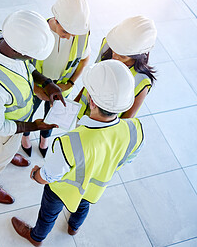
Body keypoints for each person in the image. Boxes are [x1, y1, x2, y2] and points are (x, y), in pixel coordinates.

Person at [11, 60, 145, 246]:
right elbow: (126, 159)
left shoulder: (69, 143)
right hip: (93, 188)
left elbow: (48, 176)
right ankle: (74, 227)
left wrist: (35, 175)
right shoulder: (135, 129)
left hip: (60, 191)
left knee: (48, 215)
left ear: (91, 100)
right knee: (83, 206)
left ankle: (36, 237)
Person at [0, 10, 66, 204]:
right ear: (19, 52)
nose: (32, 60)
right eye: (30, 56)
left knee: (7, 150)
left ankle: (10, 153)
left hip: (15, 125)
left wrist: (46, 82)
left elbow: (25, 66)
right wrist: (34, 127)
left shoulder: (4, 38)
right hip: (4, 131)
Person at [21, 0, 91, 158]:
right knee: (28, 112)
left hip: (61, 86)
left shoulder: (80, 34)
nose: (69, 36)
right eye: (65, 31)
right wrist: (37, 89)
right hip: (36, 85)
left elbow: (84, 59)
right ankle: (26, 137)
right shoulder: (38, 32)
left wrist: (71, 83)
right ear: (55, 19)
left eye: (73, 33)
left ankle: (44, 141)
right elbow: (23, 65)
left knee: (52, 117)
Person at [76, 15, 157, 119]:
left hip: (101, 129)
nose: (114, 55)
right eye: (114, 49)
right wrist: (74, 104)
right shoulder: (108, 46)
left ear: (138, 55)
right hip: (81, 115)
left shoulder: (141, 81)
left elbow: (126, 119)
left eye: (122, 56)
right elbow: (91, 80)